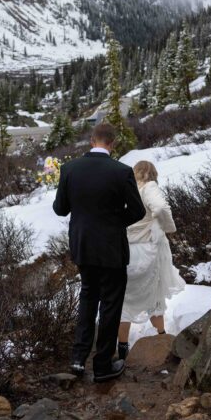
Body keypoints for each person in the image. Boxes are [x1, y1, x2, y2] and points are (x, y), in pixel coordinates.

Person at [52, 122, 145, 382]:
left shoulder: (70, 169)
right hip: (112, 248)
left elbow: (60, 209)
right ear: (112, 143)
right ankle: (102, 365)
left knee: (88, 297)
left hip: (82, 245)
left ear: (92, 141)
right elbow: (138, 210)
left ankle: (78, 359)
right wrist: (114, 223)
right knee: (111, 304)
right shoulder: (122, 171)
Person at [117, 160, 185, 358]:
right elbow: (161, 208)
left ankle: (122, 347)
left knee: (124, 299)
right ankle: (162, 338)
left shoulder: (124, 191)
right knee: (155, 295)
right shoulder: (149, 187)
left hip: (126, 250)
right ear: (152, 174)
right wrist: (169, 227)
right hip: (147, 250)